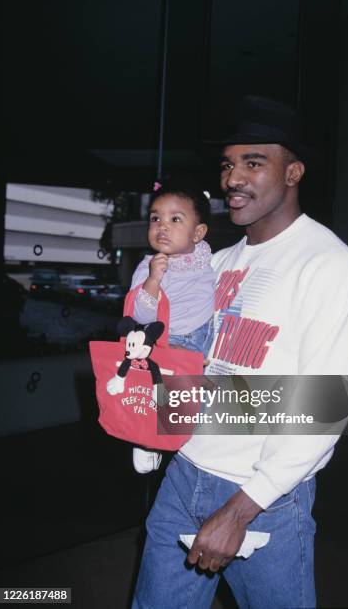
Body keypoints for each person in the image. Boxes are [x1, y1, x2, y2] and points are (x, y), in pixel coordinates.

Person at [131, 96, 348, 608]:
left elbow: (326, 407)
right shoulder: (214, 263)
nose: (233, 178)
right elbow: (182, 360)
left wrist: (242, 509)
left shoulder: (330, 266)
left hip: (262, 498)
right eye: (227, 164)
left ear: (294, 171)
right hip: (183, 477)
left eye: (254, 162)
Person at [130, 178, 215, 474]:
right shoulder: (149, 265)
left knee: (192, 409)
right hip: (170, 339)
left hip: (202, 340)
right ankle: (146, 441)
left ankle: (161, 439)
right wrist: (153, 279)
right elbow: (140, 314)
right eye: (155, 218)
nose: (162, 226)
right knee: (163, 398)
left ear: (198, 233)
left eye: (175, 219)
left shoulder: (206, 260)